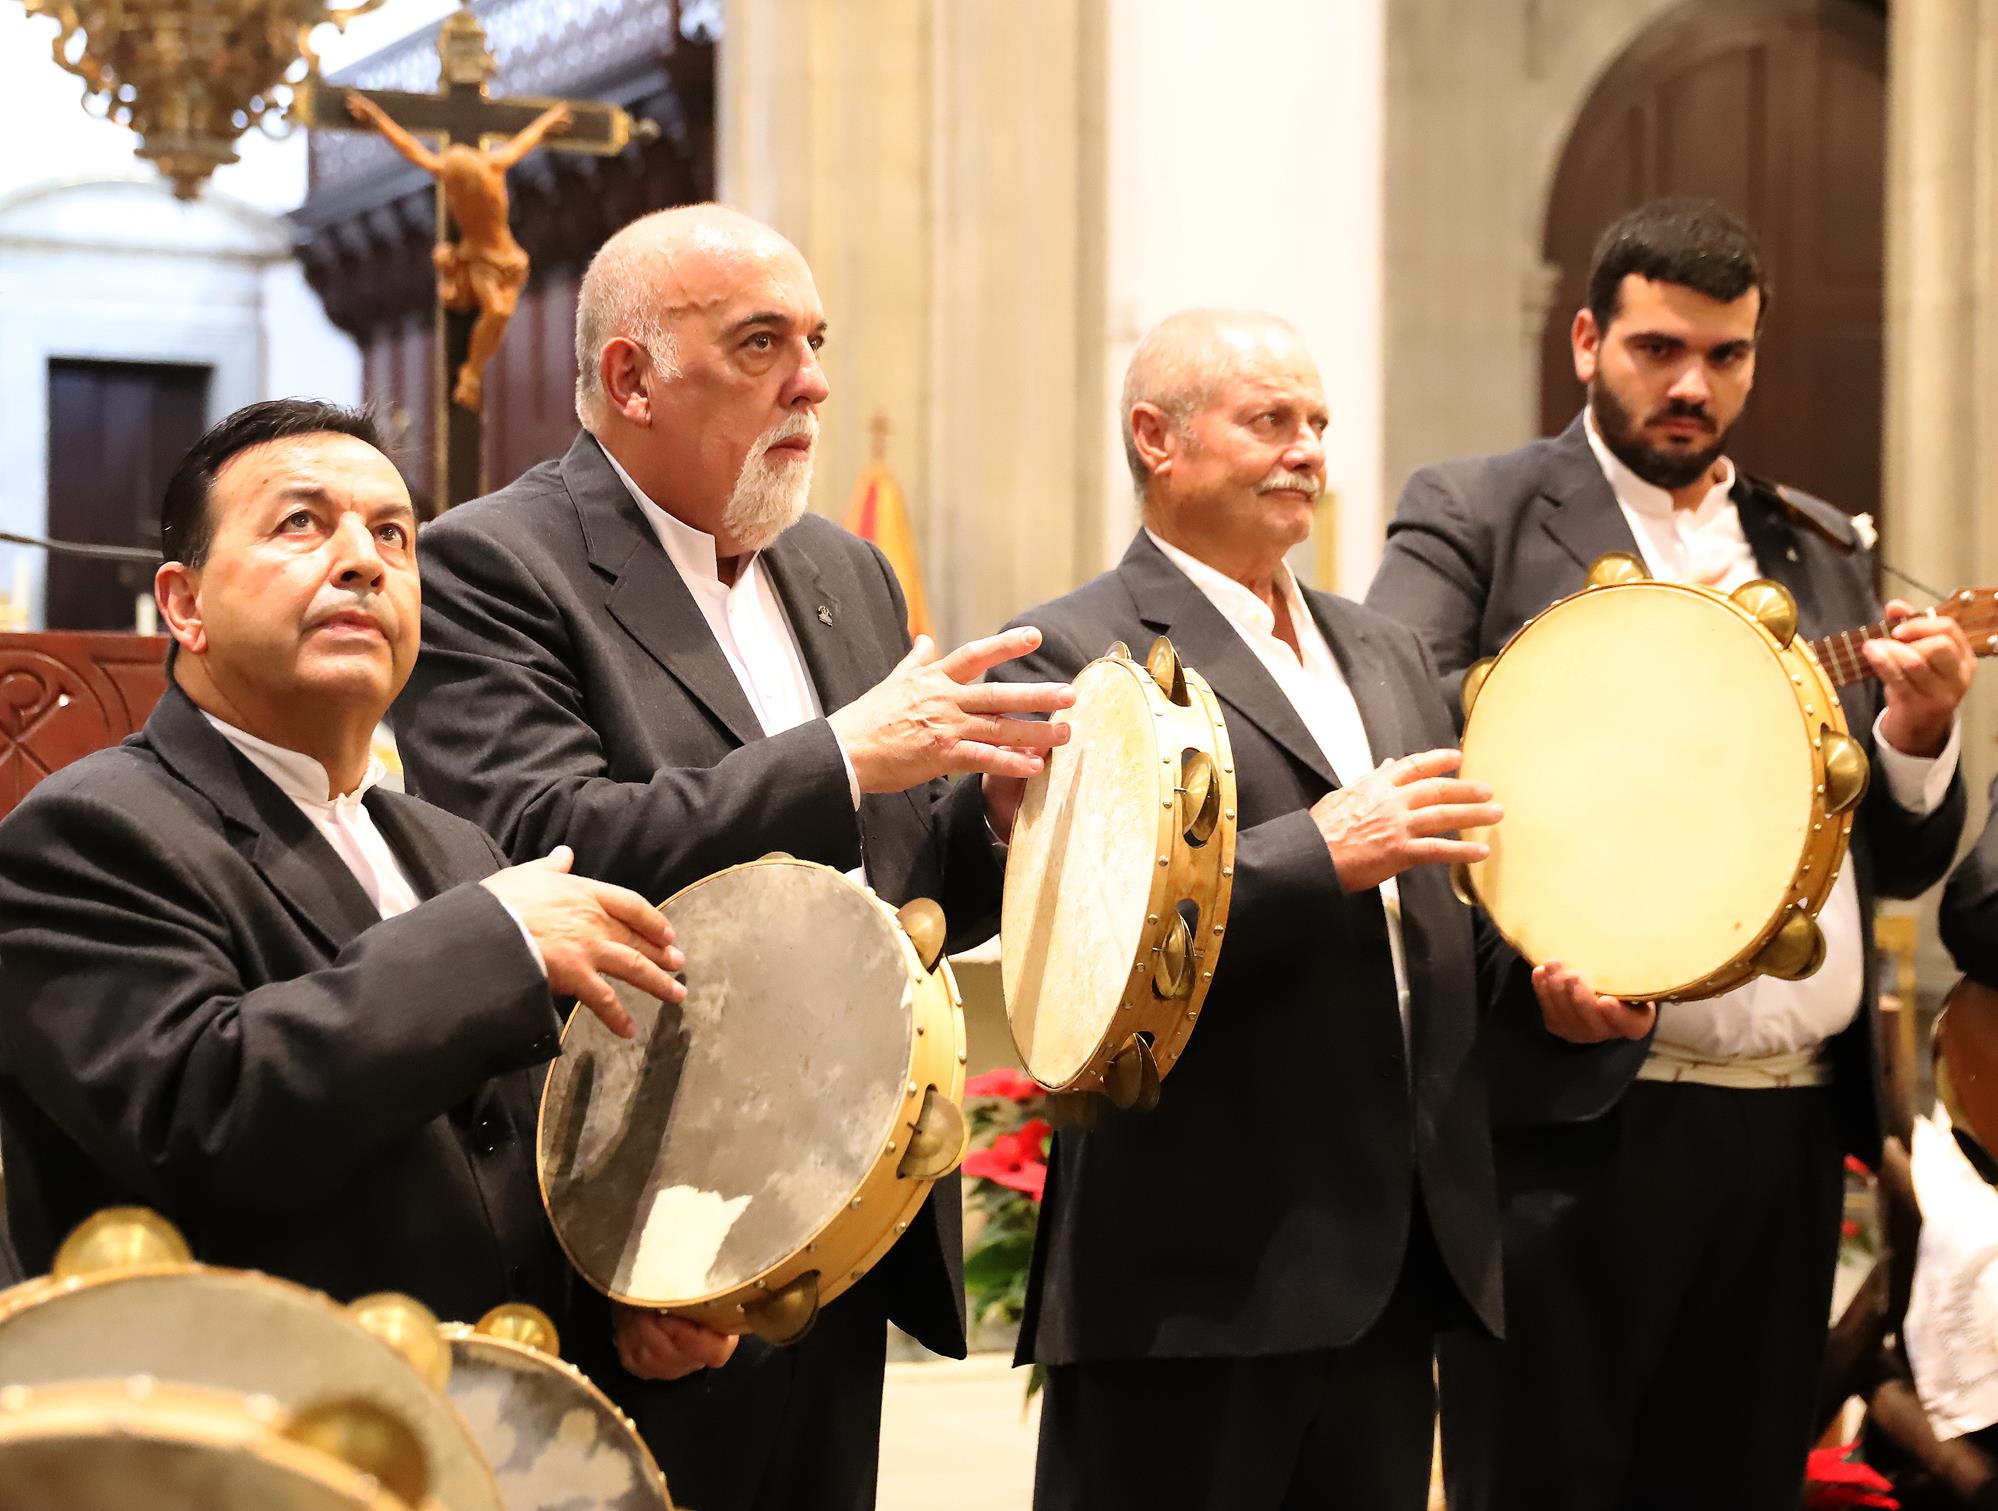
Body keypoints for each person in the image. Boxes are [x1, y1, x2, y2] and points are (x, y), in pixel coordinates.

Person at [393, 202, 1073, 1510]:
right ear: (629, 377)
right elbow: (538, 840)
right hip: (641, 1209)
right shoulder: (494, 565)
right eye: (760, 342)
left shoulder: (845, 570)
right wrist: (835, 756)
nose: (811, 381)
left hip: (844, 1189)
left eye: (814, 341)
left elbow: (894, 870)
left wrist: (987, 817)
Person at [1367, 197, 1973, 1511]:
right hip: (1573, 1121)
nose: (1691, 383)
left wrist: (1917, 731)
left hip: (1784, 1137)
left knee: (1735, 1480)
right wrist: (1519, 966)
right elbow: (1392, 753)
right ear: (1586, 339)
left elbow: (1901, 854)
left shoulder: (1816, 546)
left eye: (1726, 353)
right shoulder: (1475, 512)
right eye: (1656, 347)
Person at [0, 398, 682, 1333]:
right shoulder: (88, 834)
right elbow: (200, 1113)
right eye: (301, 524)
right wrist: (493, 937)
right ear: (185, 604)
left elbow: (507, 1151)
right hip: (251, 1433)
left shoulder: (454, 847)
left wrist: (616, 1296)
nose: (365, 559)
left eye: (395, 536)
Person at [990, 308, 1504, 1511]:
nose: (1309, 450)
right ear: (1154, 438)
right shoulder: (1067, 653)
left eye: (1318, 422)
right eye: (1271, 419)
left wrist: (1548, 983)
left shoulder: (1382, 650)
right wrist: (1313, 853)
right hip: (1193, 1272)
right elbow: (1083, 935)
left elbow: (1429, 905)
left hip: (1391, 1261)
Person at [344, 90, 571, 410]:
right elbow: (409, 146)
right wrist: (377, 118)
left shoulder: (494, 166)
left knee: (500, 314)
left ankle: (473, 371)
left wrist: (548, 122)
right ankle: (472, 373)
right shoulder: (447, 172)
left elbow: (524, 141)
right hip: (477, 258)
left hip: (506, 254)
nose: (458, 190)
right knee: (499, 310)